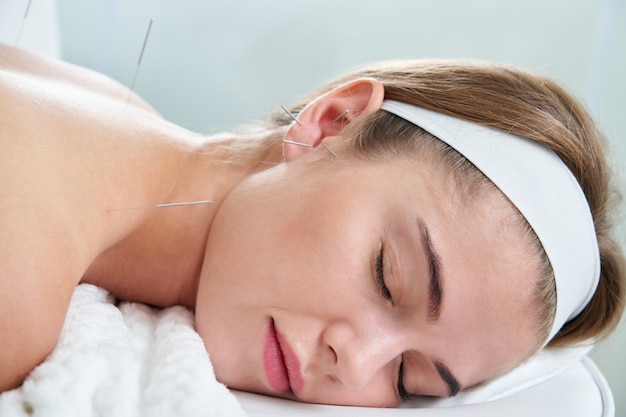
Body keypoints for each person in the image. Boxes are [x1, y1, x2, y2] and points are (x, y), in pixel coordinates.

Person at [0, 43, 624, 407]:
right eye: (387, 277)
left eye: (411, 380)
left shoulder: (112, 110)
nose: (354, 362)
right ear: (331, 121)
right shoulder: (18, 280)